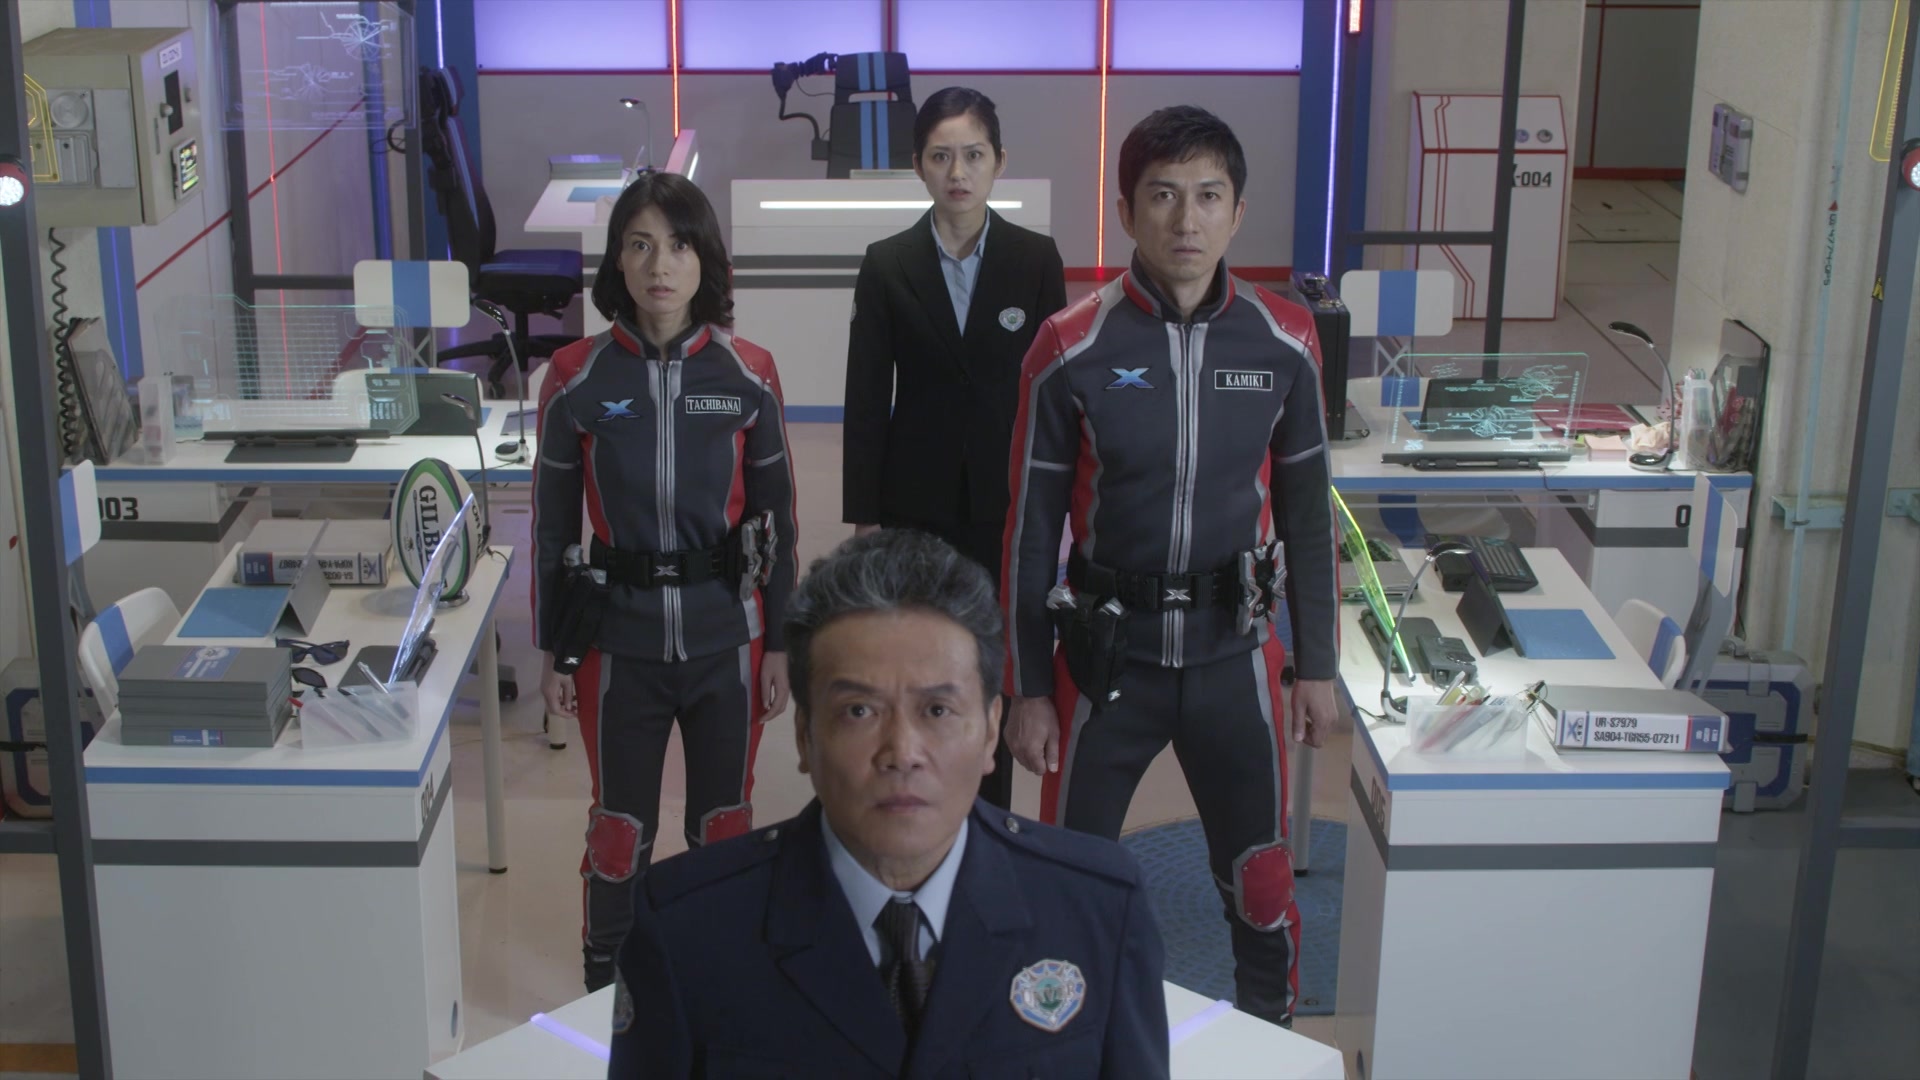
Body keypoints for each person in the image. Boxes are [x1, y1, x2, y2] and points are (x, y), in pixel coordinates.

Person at [1000, 106, 1340, 1028]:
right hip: (1107, 664)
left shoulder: (1286, 341)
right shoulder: (1069, 346)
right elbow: (1029, 532)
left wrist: (1317, 665)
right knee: (1063, 882)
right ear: (1125, 210)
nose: (1186, 221)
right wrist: (1026, 687)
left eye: (1207, 196)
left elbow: (1309, 518)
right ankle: (1060, 1045)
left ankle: (1271, 1040)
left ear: (1237, 211)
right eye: (1162, 196)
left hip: (1237, 660)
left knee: (1261, 883)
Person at [608, 530, 1170, 1079]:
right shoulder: (688, 931)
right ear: (804, 736)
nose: (902, 752)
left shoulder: (1098, 909)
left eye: (937, 711)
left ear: (990, 730)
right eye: (859, 711)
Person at [532, 171, 798, 993]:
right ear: (617, 259)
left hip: (730, 640)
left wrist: (782, 642)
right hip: (619, 644)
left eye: (679, 245)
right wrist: (554, 651)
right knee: (619, 831)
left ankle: (718, 980)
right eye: (640, 245)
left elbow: (781, 517)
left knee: (724, 828)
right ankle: (608, 986)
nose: (660, 265)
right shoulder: (574, 377)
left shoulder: (750, 373)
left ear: (705, 258)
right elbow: (550, 527)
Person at [843, 86, 1069, 810]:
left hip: (1006, 500)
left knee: (989, 662)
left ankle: (990, 817)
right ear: (919, 165)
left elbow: (1055, 392)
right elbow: (866, 396)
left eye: (973, 155)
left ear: (999, 161)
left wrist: (1057, 501)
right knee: (919, 660)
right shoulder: (888, 263)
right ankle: (919, 805)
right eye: (941, 157)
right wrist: (865, 517)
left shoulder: (1034, 259)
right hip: (916, 499)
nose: (958, 172)